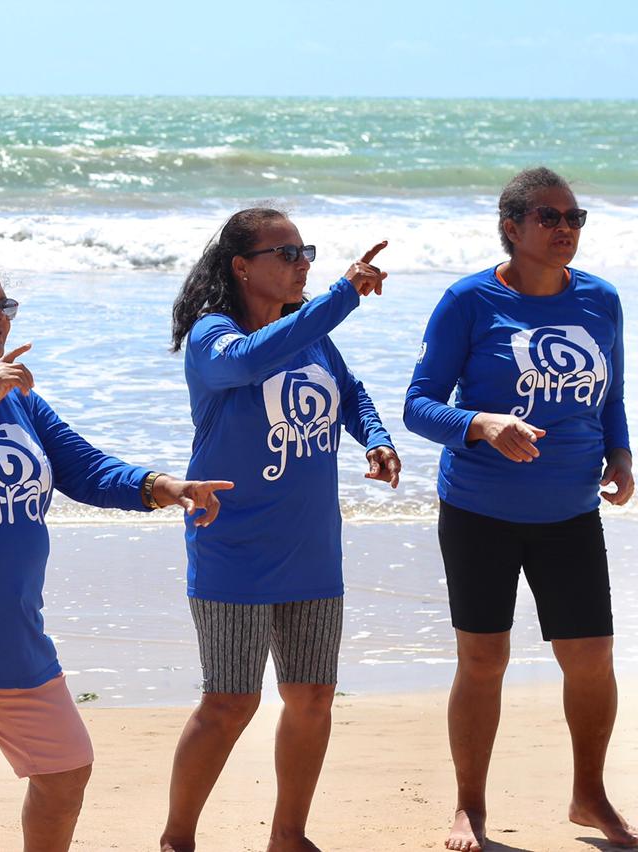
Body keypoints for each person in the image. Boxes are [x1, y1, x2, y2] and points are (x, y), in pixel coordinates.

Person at [0, 245, 233, 852]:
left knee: (64, 770)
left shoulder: (17, 398)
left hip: (11, 639)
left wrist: (161, 487)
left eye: (6, 304)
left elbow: (80, 465)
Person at [403, 167, 634, 851]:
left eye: (575, 217)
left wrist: (621, 454)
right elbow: (419, 405)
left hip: (569, 510)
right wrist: (481, 424)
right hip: (480, 510)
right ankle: (469, 807)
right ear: (512, 227)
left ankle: (589, 798)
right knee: (483, 660)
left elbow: (611, 394)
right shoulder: (468, 302)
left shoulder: (602, 300)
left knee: (591, 657)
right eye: (549, 217)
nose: (566, 229)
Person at [162, 208, 400, 852]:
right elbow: (247, 363)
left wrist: (374, 438)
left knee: (314, 696)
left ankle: (288, 836)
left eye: (307, 253)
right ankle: (177, 839)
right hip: (233, 547)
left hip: (313, 548)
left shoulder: (310, 333)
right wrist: (341, 294)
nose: (302, 264)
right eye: (286, 253)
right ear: (242, 266)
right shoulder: (216, 335)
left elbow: (350, 392)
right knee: (230, 703)